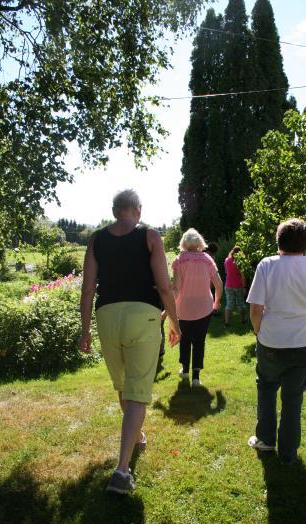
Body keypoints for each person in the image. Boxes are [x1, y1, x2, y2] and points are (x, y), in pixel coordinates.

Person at [79, 189, 181, 494]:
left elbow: (87, 289)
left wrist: (85, 331)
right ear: (137, 210)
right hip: (144, 315)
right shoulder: (150, 236)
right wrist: (175, 322)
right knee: (137, 391)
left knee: (124, 386)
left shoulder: (97, 239)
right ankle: (122, 471)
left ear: (115, 211)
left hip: (107, 317)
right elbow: (164, 287)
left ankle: (136, 436)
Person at [247, 218, 306, 464]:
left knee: (266, 388)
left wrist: (258, 331)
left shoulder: (267, 265)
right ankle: (288, 453)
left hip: (271, 341)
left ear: (279, 241)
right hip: (305, 342)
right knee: (293, 398)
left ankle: (265, 440)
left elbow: (255, 309)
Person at [172, 228, 223, 387]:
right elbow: (219, 285)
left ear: (184, 243)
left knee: (185, 339)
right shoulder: (207, 259)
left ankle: (185, 370)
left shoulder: (179, 260)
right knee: (199, 341)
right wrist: (217, 302)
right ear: (200, 242)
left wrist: (168, 309)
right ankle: (196, 377)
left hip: (184, 307)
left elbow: (176, 288)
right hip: (204, 307)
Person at [224, 245, 247, 326]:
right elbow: (242, 275)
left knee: (229, 304)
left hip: (228, 285)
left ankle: (227, 322)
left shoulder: (227, 260)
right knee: (241, 303)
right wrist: (244, 286)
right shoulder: (241, 262)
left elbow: (226, 272)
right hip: (238, 285)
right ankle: (243, 320)